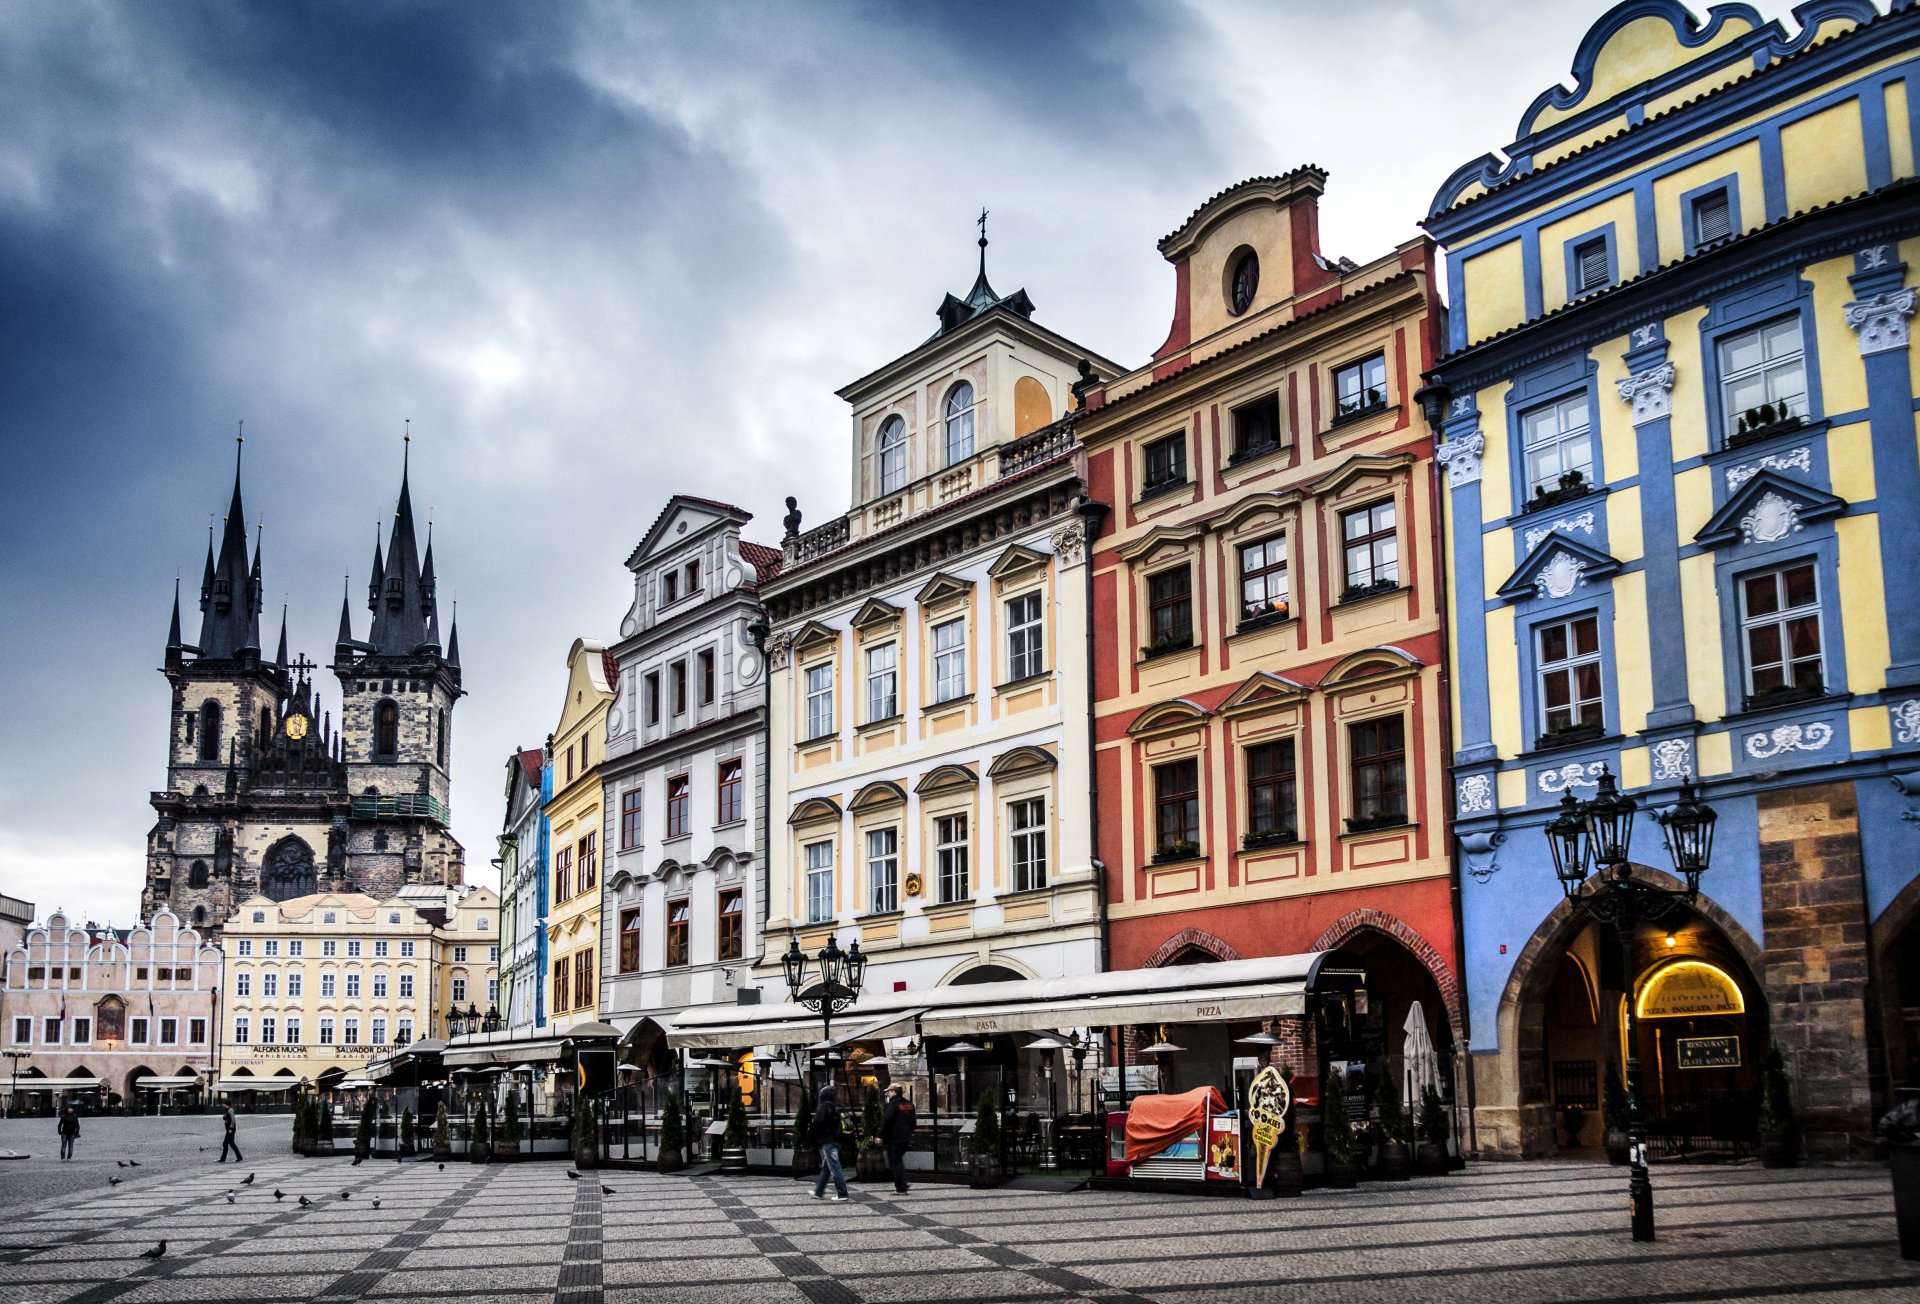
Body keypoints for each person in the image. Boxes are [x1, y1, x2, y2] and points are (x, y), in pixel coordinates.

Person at [810, 1083, 849, 1201]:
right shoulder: (837, 1106)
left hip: (828, 1141)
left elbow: (817, 1123)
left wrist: (814, 1138)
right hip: (838, 1140)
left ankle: (842, 1194)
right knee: (827, 1167)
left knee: (835, 1168)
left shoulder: (824, 1107)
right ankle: (819, 1192)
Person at [880, 1084, 917, 1194]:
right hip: (905, 1138)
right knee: (897, 1161)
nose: (887, 1094)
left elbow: (886, 1121)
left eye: (889, 1091)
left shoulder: (892, 1105)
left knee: (895, 1162)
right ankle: (903, 1184)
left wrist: (879, 1135)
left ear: (894, 1092)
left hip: (894, 1138)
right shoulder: (909, 1104)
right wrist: (909, 1132)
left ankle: (901, 1187)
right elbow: (913, 1122)